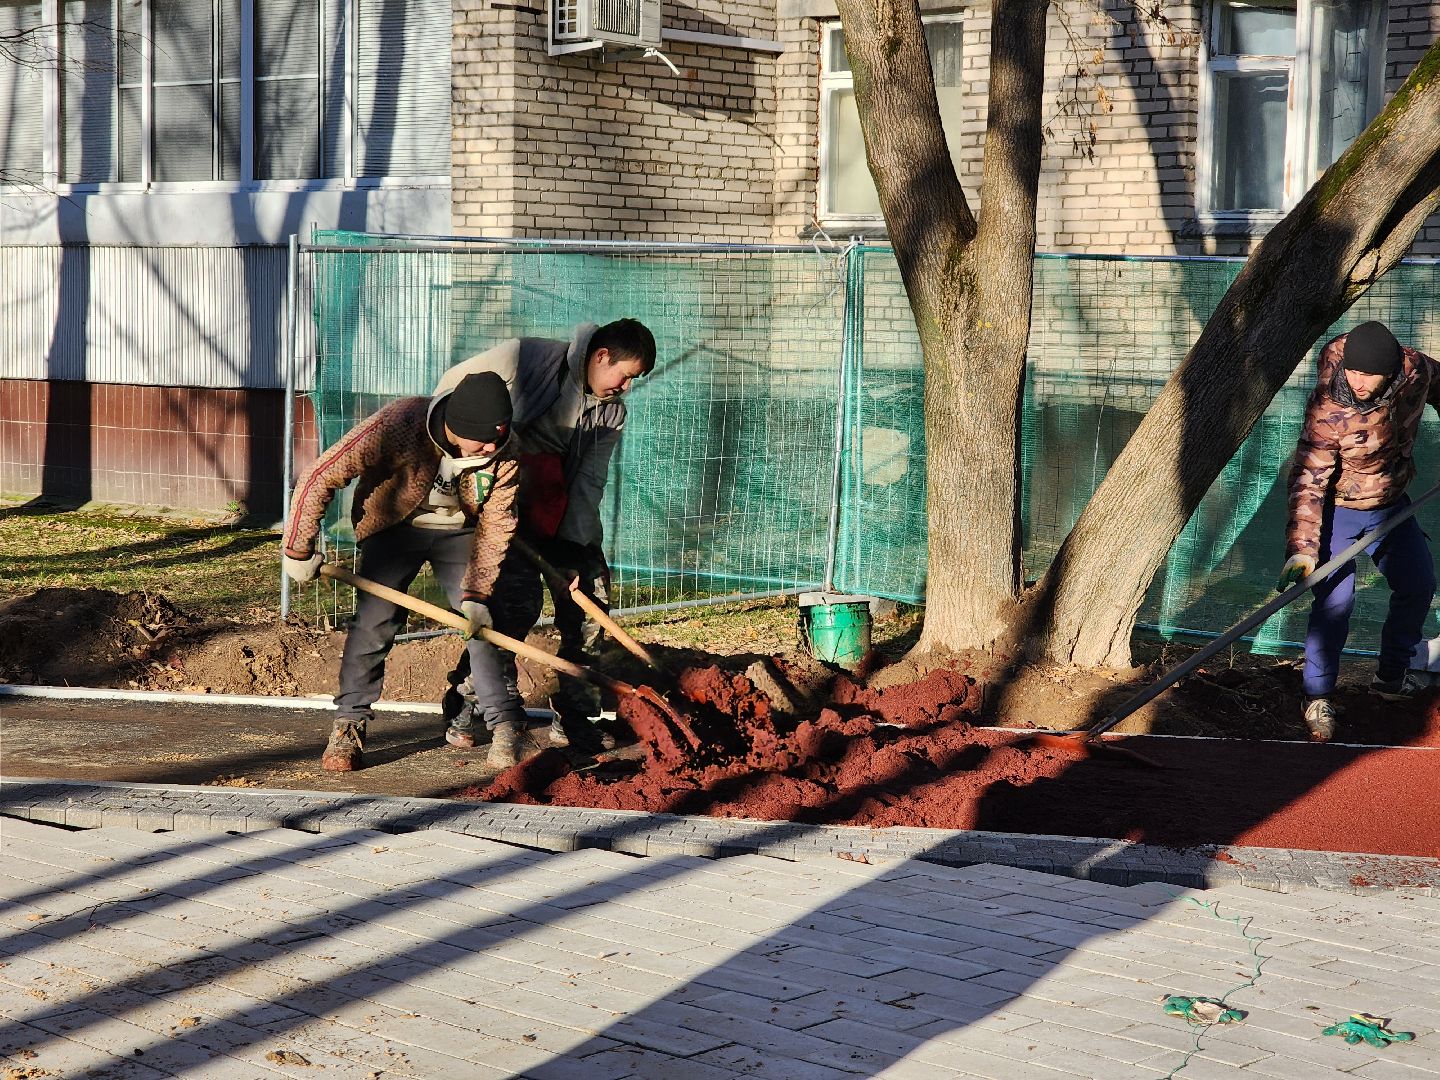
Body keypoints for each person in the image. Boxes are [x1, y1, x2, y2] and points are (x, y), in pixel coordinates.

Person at [282, 371, 526, 771]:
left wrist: (477, 592)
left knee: (483, 625)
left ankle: (503, 726)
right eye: (483, 440)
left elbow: (498, 522)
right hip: (393, 527)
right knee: (374, 623)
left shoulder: (505, 450)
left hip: (460, 533)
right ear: (456, 427)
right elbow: (322, 474)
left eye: (498, 438)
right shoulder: (401, 422)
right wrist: (298, 545)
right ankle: (349, 722)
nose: (492, 447)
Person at [436, 318, 657, 754]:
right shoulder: (526, 360)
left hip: (560, 513)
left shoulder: (611, 412)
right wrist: (465, 481)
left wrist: (568, 555)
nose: (626, 387)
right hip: (505, 508)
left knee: (590, 605)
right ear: (601, 357)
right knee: (513, 610)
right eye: (625, 376)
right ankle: (466, 700)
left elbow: (589, 483)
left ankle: (575, 715)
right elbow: (452, 395)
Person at [1278, 321, 1440, 741]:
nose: (1359, 381)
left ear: (1392, 371)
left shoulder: (1417, 371)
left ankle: (1391, 677)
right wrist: (1302, 548)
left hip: (1392, 507)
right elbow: (1309, 480)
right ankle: (1316, 695)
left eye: (1370, 374)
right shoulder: (1329, 410)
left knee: (1418, 584)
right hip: (1338, 511)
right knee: (1335, 602)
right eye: (1353, 372)